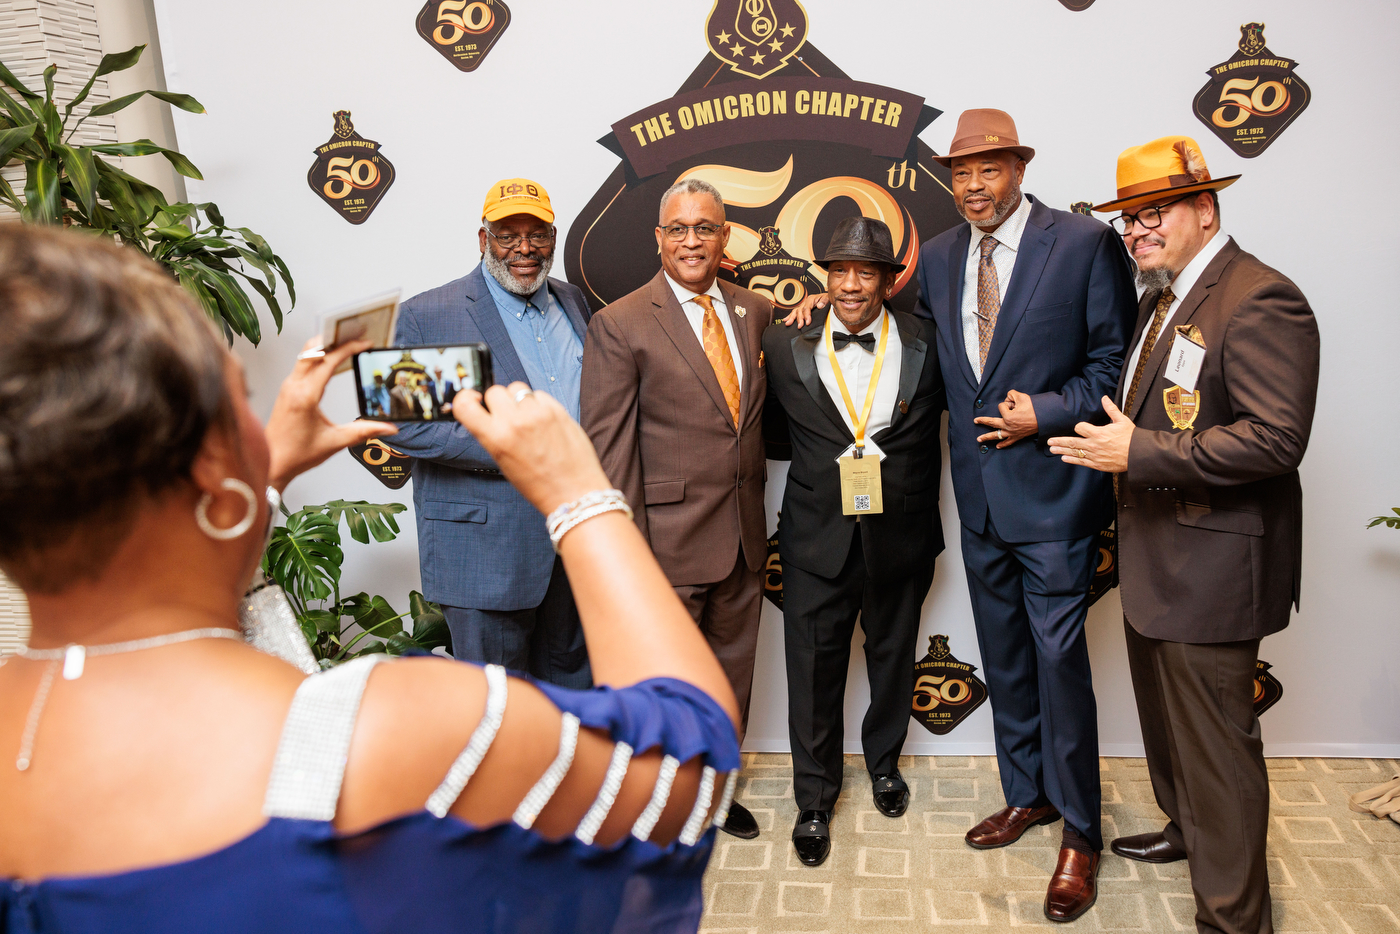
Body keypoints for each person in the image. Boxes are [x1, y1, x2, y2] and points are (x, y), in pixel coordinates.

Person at [0, 224, 741, 933]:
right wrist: (579, 495)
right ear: (212, 468)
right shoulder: (388, 728)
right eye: (238, 402)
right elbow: (689, 768)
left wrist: (259, 483)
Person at [1050, 136, 1320, 934]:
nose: (1137, 233)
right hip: (1158, 558)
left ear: (1206, 208)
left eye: (1153, 214)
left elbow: (1276, 439)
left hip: (1212, 570)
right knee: (1172, 733)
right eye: (1128, 220)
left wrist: (1138, 451)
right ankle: (1184, 828)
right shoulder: (1162, 297)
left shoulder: (1260, 296)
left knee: (1219, 753)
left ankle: (1234, 920)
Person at [914, 109, 1137, 922]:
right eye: (960, 172)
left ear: (1018, 166)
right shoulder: (938, 257)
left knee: (1059, 663)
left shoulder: (1080, 243)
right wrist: (813, 319)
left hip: (1054, 497)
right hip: (976, 499)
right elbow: (908, 344)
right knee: (1004, 657)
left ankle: (1081, 831)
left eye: (988, 169)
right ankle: (1027, 795)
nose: (972, 185)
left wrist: (1041, 412)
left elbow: (1115, 362)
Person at [581, 177, 773, 840]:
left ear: (725, 238)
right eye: (679, 229)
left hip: (745, 538)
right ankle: (664, 805)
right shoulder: (621, 323)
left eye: (706, 228)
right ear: (659, 239)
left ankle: (716, 794)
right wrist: (625, 555)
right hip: (665, 543)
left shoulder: (754, 311)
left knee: (731, 680)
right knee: (665, 686)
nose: (693, 240)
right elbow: (609, 451)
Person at [761, 217, 945, 866]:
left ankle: (886, 764)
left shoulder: (930, 342)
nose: (850, 284)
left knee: (893, 660)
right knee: (812, 672)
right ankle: (814, 797)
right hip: (815, 539)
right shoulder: (784, 344)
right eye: (839, 271)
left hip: (902, 533)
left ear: (888, 282)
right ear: (825, 278)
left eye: (865, 271)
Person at [390, 178, 594, 688]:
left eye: (538, 234)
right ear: (483, 240)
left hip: (574, 541)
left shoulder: (573, 302)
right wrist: (510, 444)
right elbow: (405, 426)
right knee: (500, 711)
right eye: (508, 234)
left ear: (554, 237)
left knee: (575, 707)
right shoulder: (433, 315)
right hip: (486, 554)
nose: (525, 249)